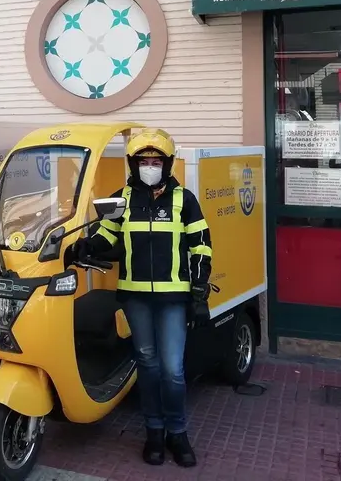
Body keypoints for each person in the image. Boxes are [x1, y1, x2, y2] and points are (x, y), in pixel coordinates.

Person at [73, 128, 212, 468]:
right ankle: (153, 433)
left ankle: (177, 434)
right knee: (147, 365)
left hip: (174, 299)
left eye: (156, 161)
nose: (150, 166)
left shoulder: (184, 200)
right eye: (144, 161)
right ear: (134, 165)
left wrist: (199, 290)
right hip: (136, 297)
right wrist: (86, 244)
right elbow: (106, 236)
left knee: (173, 370)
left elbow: (201, 246)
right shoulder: (121, 198)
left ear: (167, 164)